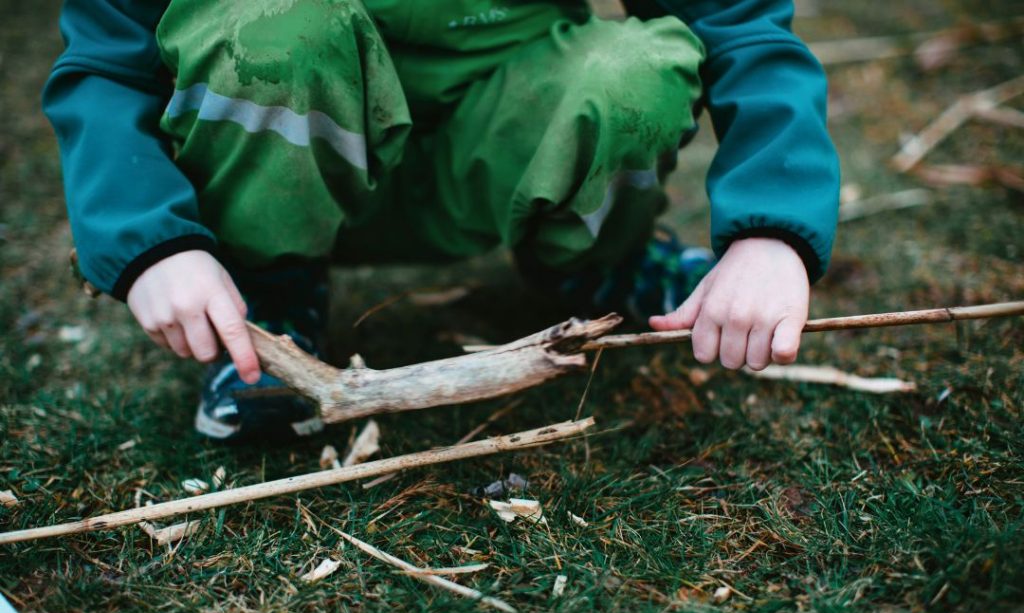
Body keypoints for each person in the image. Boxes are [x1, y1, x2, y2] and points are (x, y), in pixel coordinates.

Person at [44, 0, 839, 440]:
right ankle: (269, 298)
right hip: (286, 160)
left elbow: (743, 25)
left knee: (631, 74)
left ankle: (600, 259)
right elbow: (109, 60)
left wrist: (772, 228)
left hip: (504, 150)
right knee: (268, 30)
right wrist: (152, 243)